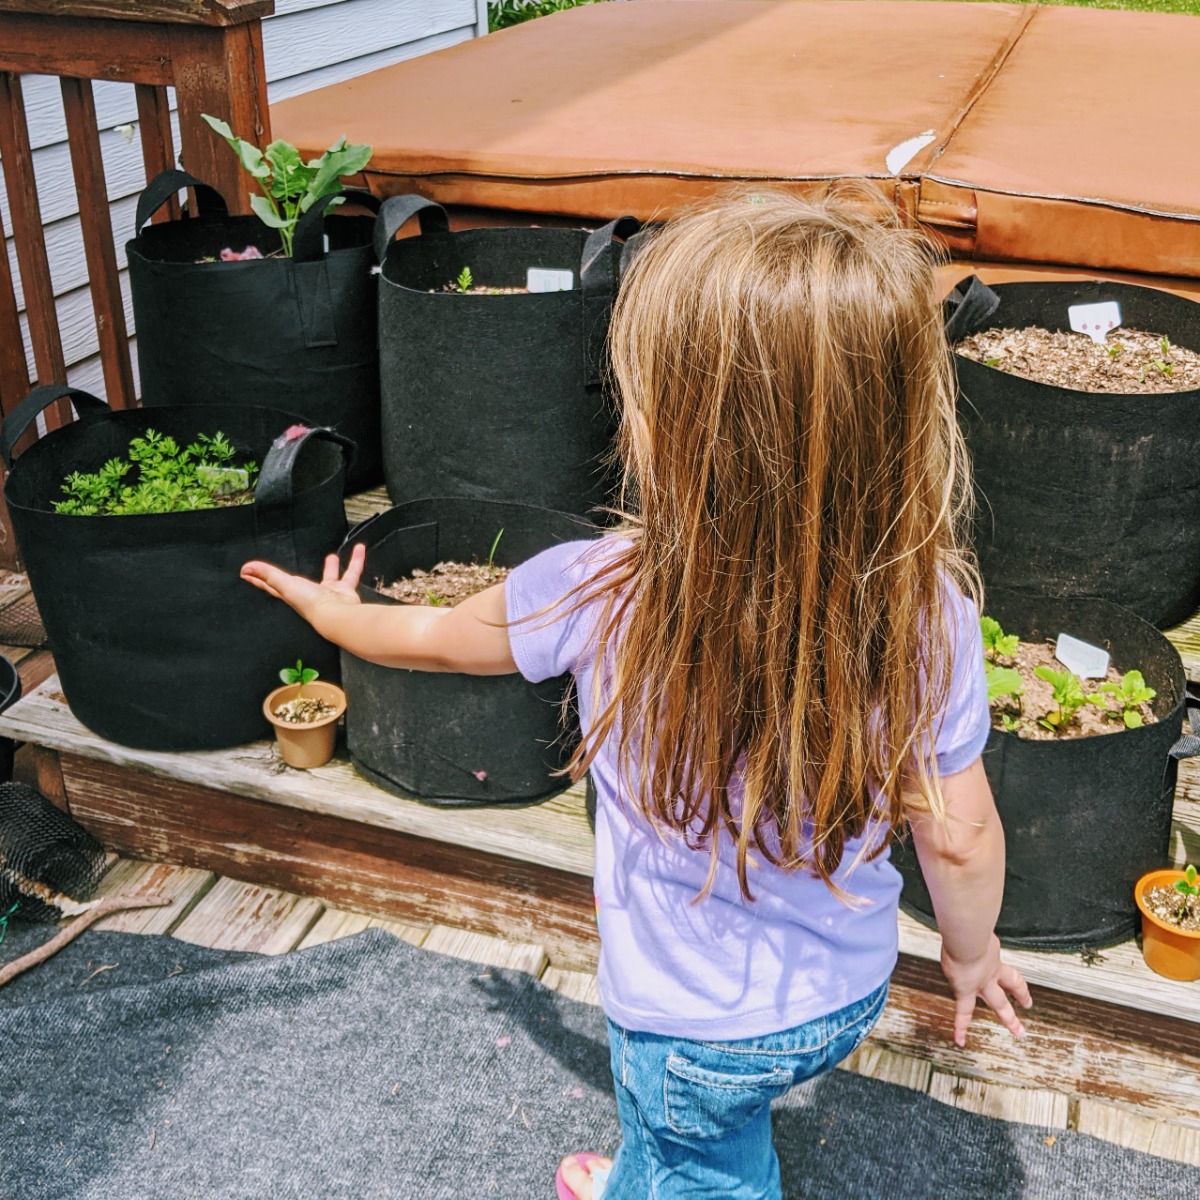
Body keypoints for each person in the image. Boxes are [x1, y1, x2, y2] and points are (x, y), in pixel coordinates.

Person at [241, 190, 1031, 1200]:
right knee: (711, 1129)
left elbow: (435, 635)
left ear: (667, 434)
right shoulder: (931, 614)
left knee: (690, 1162)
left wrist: (340, 620)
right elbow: (960, 836)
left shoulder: (601, 588)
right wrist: (972, 951)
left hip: (686, 1022)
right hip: (844, 992)